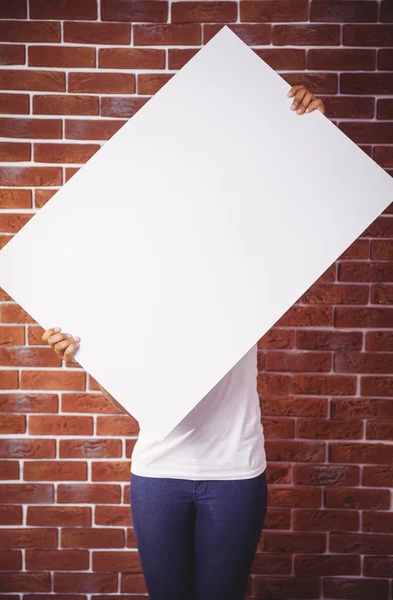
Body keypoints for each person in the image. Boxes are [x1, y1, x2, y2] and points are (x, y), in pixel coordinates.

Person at [42, 85, 326, 600]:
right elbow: (129, 401)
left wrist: (313, 134)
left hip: (236, 471)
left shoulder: (249, 274)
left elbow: (304, 211)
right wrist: (86, 357)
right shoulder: (131, 291)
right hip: (158, 471)